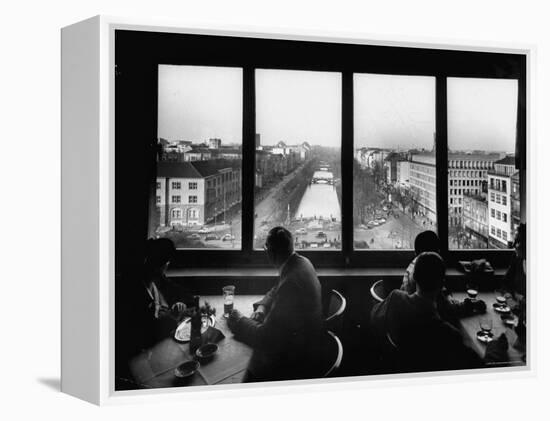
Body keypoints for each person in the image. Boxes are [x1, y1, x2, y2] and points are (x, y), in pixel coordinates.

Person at [371, 252, 508, 373]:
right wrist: (495, 347)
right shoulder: (448, 335)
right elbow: (482, 368)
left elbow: (374, 316)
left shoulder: (395, 299)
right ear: (442, 284)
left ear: (415, 277)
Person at [227, 226, 323, 382]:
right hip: (309, 344)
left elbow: (266, 338)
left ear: (271, 252)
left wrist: (239, 321)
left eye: (266, 248)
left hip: (294, 362)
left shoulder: (290, 283)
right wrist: (262, 307)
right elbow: (276, 288)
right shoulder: (301, 262)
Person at [401, 230, 484, 323]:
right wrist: (472, 305)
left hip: (411, 322)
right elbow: (448, 310)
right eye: (438, 250)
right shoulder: (430, 271)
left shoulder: (414, 265)